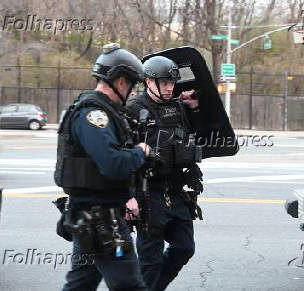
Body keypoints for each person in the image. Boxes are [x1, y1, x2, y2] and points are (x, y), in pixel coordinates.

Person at [54, 43, 149, 291]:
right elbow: (113, 165)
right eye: (132, 85)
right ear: (120, 82)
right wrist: (140, 152)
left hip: (90, 216)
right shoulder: (94, 115)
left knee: (81, 283)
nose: (132, 92)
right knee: (129, 285)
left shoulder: (100, 111)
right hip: (101, 220)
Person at [125, 56, 204, 291]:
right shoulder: (133, 110)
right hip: (148, 193)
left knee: (184, 248)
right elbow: (123, 158)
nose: (170, 88)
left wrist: (195, 108)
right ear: (149, 81)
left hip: (175, 190)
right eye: (165, 82)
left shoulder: (178, 107)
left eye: (172, 82)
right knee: (150, 261)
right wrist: (129, 197)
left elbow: (199, 138)